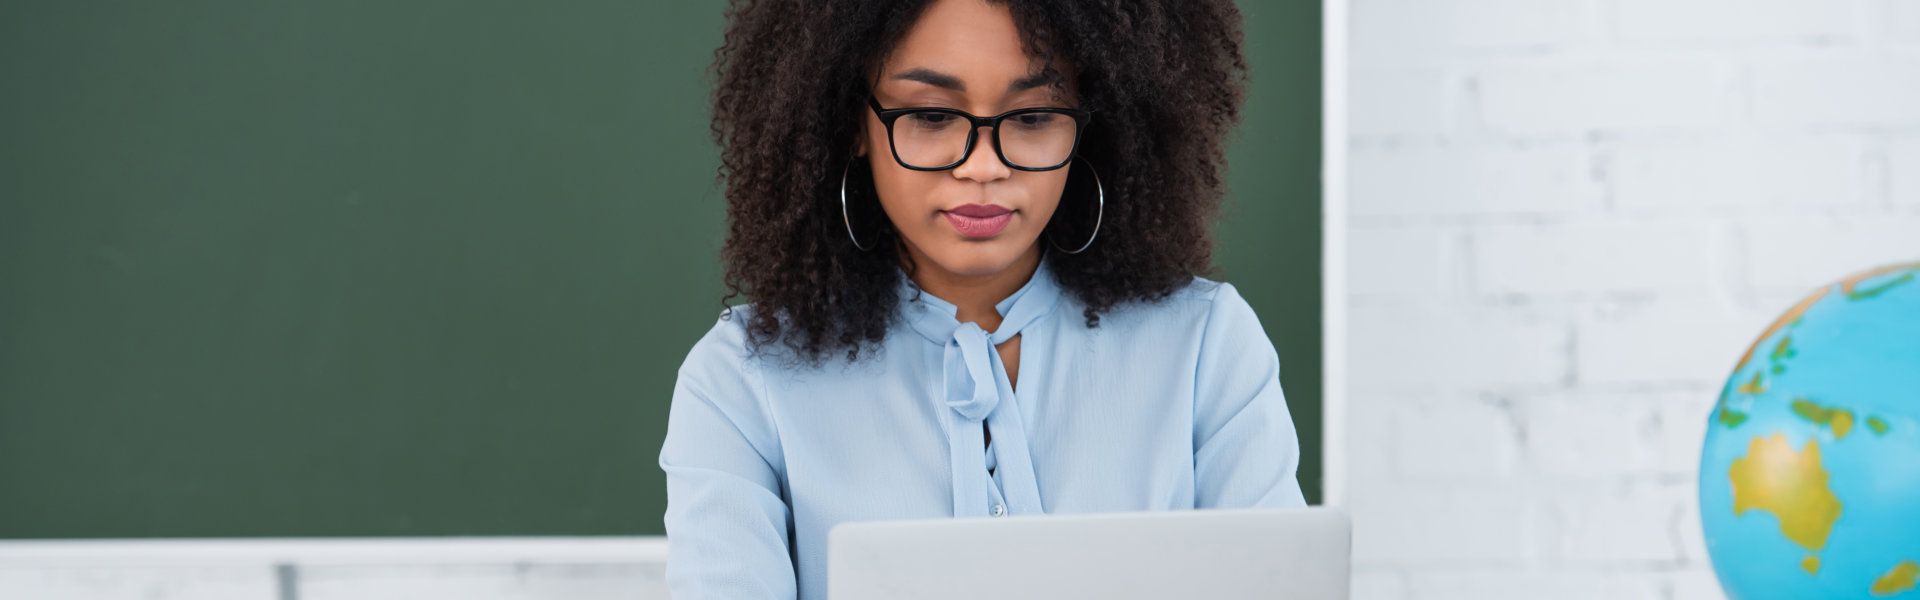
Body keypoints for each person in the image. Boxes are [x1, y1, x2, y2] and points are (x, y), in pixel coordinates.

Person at [658, 0, 1305, 597]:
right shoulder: (743, 382)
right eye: (932, 115)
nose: (984, 166)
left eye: (1031, 118)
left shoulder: (1205, 348)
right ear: (850, 122)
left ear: (1089, 128)